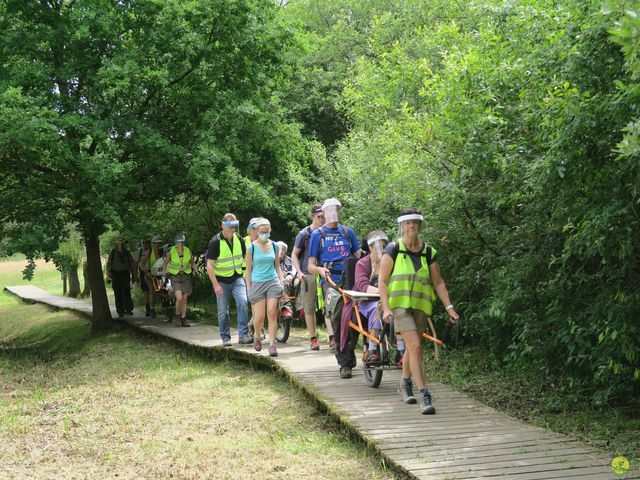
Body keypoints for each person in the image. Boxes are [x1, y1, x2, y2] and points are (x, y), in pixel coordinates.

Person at [379, 207, 460, 415]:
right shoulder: (393, 249)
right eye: (407, 223)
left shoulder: (428, 252)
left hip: (422, 307)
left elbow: (438, 282)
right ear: (401, 226)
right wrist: (386, 308)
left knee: (413, 347)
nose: (411, 226)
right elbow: (382, 281)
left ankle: (404, 383)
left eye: (415, 222)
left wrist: (449, 308)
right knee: (415, 346)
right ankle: (424, 393)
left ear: (420, 225)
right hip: (400, 306)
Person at [308, 198, 361, 379]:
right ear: (324, 212)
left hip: (350, 280)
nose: (333, 212)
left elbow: (359, 257)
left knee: (356, 319)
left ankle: (353, 354)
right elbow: (310, 266)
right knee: (339, 319)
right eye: (330, 209)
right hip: (330, 282)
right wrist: (320, 270)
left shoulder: (347, 232)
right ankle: (345, 364)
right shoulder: (318, 234)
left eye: (336, 209)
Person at [350, 230, 406, 365]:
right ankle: (372, 350)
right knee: (377, 308)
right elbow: (362, 285)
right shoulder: (363, 264)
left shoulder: (391, 261)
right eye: (377, 246)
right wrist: (383, 292)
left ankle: (401, 351)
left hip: (389, 298)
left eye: (383, 246)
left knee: (400, 310)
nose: (381, 249)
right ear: (370, 248)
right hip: (367, 301)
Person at [206, 213, 252, 347]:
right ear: (223, 226)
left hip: (237, 277)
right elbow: (209, 266)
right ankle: (225, 337)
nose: (232, 229)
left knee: (243, 302)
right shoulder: (215, 242)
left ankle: (243, 335)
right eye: (229, 227)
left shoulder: (238, 238)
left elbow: (245, 258)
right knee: (223, 311)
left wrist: (246, 277)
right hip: (221, 281)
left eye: (234, 227)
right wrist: (215, 285)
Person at [245, 218, 284, 356]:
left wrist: (281, 280)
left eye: (267, 232)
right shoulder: (251, 248)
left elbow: (277, 266)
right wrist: (249, 288)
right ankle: (257, 335)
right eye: (262, 232)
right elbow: (248, 270)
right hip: (257, 283)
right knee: (259, 317)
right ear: (256, 231)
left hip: (272, 281)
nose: (265, 234)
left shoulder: (275, 246)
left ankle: (273, 345)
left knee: (272, 312)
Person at [292, 203, 325, 350]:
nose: (322, 219)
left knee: (328, 307)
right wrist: (298, 272)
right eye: (319, 217)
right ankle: (313, 338)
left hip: (325, 273)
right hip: (308, 274)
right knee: (309, 308)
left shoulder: (329, 231)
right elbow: (294, 254)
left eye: (324, 216)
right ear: (313, 216)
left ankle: (331, 338)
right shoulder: (304, 234)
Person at [162, 233, 198, 327]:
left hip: (186, 276)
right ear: (175, 243)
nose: (180, 244)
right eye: (178, 242)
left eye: (182, 242)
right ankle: (177, 317)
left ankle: (183, 318)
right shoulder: (171, 252)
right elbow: (165, 263)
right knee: (179, 297)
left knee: (185, 298)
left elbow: (192, 262)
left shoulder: (187, 251)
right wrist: (164, 272)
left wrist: (195, 269)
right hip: (175, 276)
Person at [106, 238, 136, 318]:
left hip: (125, 273)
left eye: (123, 244)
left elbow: (131, 264)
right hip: (115, 274)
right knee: (117, 292)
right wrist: (108, 272)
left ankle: (129, 309)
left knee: (126, 291)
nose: (122, 245)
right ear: (117, 244)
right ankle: (120, 311)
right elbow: (109, 262)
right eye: (120, 243)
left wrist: (134, 275)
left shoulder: (127, 252)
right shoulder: (113, 252)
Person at [140, 235, 164, 318]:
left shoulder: (163, 251)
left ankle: (167, 308)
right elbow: (142, 264)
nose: (158, 245)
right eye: (156, 243)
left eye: (159, 243)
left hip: (161, 274)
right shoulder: (149, 252)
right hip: (150, 275)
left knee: (165, 290)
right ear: (153, 244)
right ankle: (152, 309)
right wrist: (146, 271)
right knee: (152, 290)